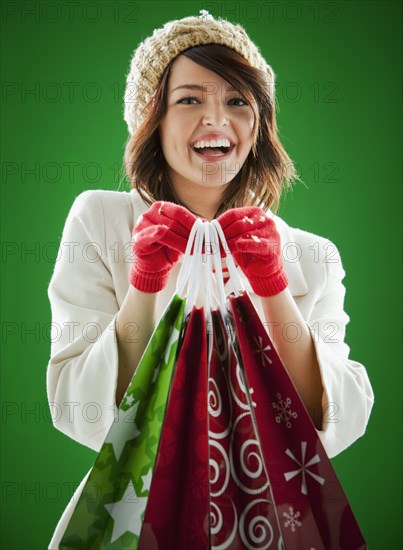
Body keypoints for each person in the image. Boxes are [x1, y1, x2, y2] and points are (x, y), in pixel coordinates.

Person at [46, 10, 374, 548]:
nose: (216, 120)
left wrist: (272, 289)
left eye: (238, 100)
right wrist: (145, 285)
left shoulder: (311, 257)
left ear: (260, 123)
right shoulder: (101, 221)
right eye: (190, 99)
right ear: (153, 117)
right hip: (134, 515)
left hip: (273, 517)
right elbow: (77, 410)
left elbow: (333, 423)